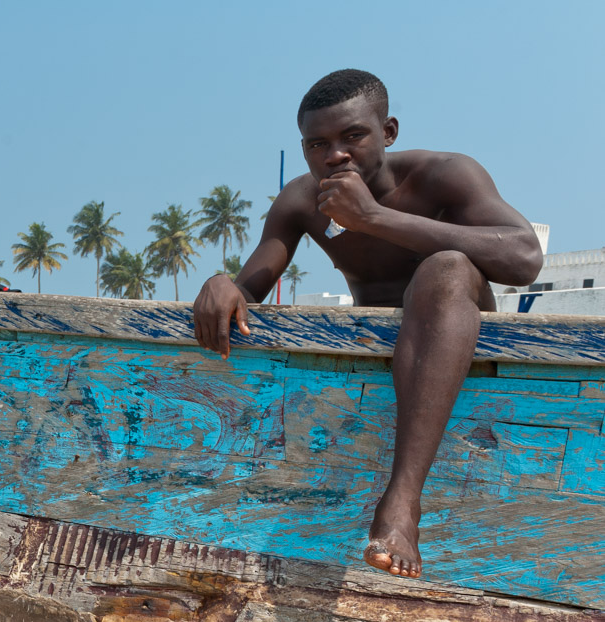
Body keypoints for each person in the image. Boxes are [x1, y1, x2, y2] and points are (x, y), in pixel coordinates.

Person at [191, 69, 541, 579]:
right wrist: (224, 284)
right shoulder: (301, 200)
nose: (335, 155)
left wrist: (373, 218)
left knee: (446, 266)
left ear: (389, 132)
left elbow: (525, 257)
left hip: (464, 342)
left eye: (352, 135)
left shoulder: (446, 174)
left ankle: (402, 501)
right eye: (317, 144)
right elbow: (250, 290)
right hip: (384, 356)